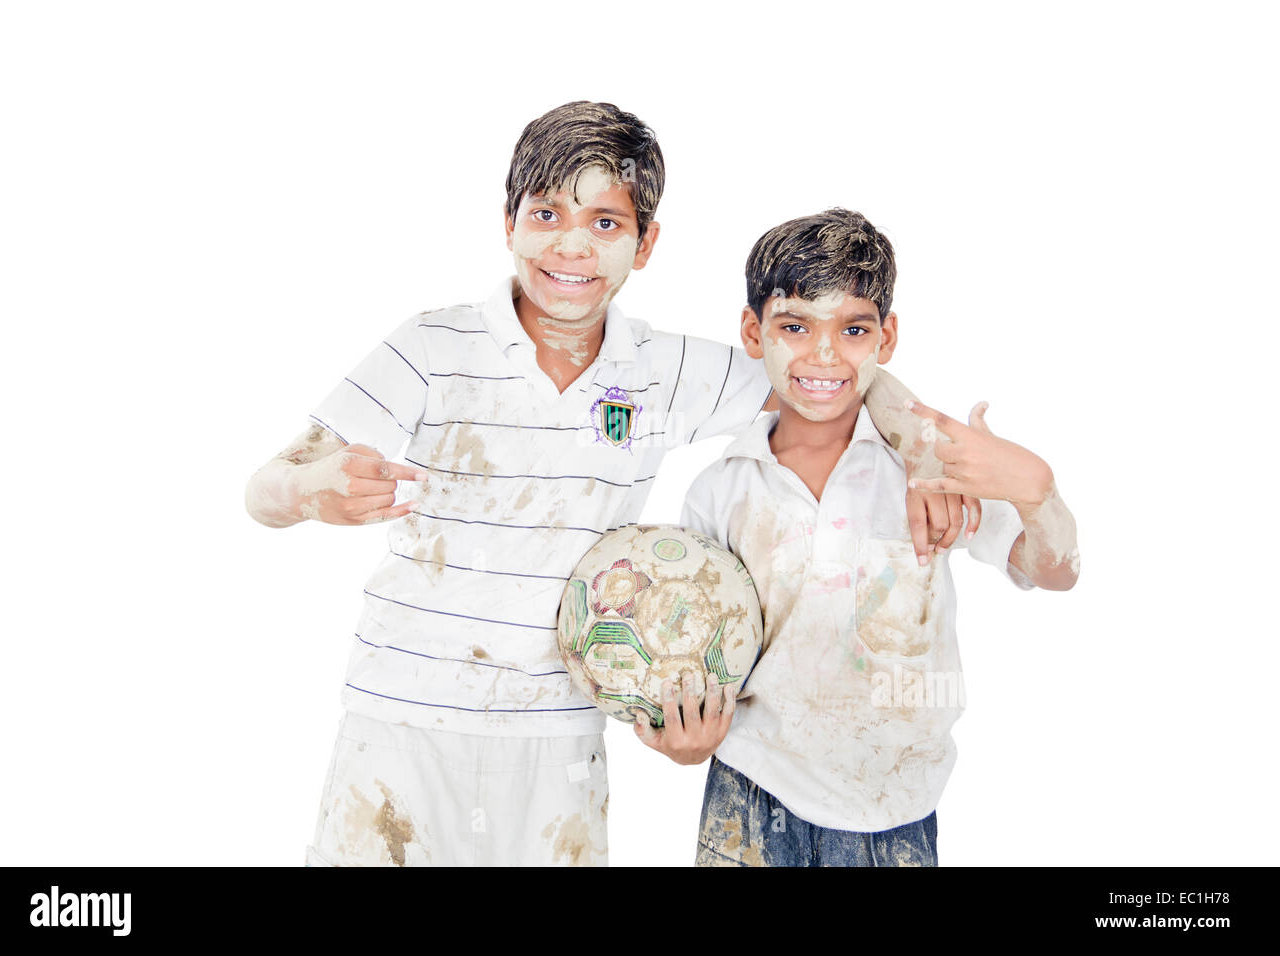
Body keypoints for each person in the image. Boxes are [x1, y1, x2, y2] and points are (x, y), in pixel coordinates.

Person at [244, 104, 962, 866]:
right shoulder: (430, 345)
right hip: (402, 719)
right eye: (547, 213)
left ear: (645, 244)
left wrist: (923, 450)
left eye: (606, 223)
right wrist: (311, 489)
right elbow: (266, 487)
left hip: (560, 736)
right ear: (509, 222)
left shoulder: (663, 370)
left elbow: (824, 373)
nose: (572, 245)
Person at [636, 208, 1079, 866]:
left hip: (891, 806)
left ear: (887, 337)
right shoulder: (720, 491)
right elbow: (683, 654)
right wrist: (679, 737)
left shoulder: (930, 472)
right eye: (795, 326)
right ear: (754, 333)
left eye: (852, 328)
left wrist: (1034, 487)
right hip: (751, 790)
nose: (823, 354)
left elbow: (1055, 570)